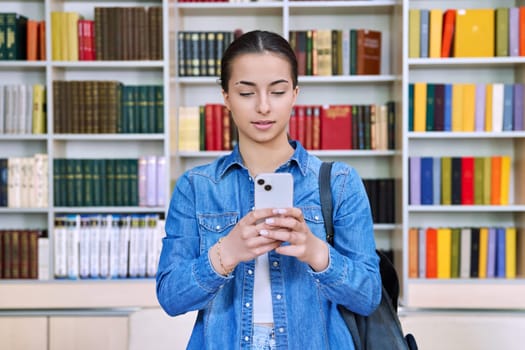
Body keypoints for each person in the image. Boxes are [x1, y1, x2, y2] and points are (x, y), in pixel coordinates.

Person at [156, 30, 381, 349]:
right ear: (226, 98)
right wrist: (226, 254)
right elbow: (170, 298)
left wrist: (317, 253)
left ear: (294, 94)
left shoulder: (339, 182)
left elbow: (369, 295)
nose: (263, 107)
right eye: (246, 93)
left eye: (277, 91)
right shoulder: (197, 186)